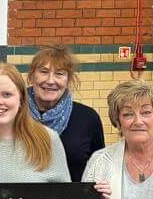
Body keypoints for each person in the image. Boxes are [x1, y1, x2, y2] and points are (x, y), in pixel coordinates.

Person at [25, 46, 106, 182]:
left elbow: (99, 169)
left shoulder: (87, 119)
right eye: (44, 72)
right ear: (32, 76)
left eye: (59, 74)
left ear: (68, 80)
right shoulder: (14, 115)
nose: (50, 80)